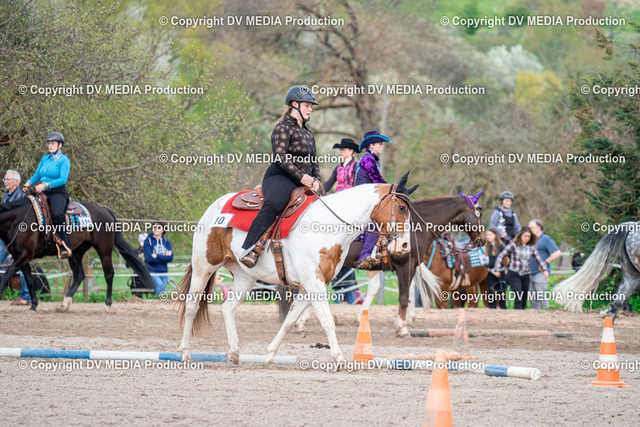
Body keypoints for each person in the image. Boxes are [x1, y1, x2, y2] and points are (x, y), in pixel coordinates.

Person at [240, 86, 321, 267]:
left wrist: (317, 180)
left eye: (311, 106)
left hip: (305, 180)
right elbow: (281, 157)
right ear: (295, 104)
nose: (310, 109)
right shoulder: (282, 128)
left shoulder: (309, 133)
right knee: (274, 204)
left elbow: (314, 160)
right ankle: (251, 247)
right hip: (281, 176)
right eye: (307, 105)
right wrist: (301, 177)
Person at [23, 132, 72, 258]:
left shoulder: (64, 160)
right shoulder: (45, 158)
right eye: (49, 143)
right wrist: (28, 183)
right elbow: (37, 175)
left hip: (57, 192)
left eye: (53, 143)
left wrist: (46, 185)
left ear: (60, 145)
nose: (50, 146)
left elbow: (63, 179)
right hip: (42, 192)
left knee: (57, 214)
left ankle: (64, 244)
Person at [324, 138, 360, 303]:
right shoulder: (338, 167)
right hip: (338, 201)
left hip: (351, 202)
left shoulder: (356, 166)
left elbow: (358, 185)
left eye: (344, 149)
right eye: (341, 149)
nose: (341, 152)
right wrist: (318, 192)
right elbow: (329, 183)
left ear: (351, 151)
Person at [354, 130, 390, 269]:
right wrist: (392, 189)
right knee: (376, 224)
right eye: (379, 144)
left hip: (368, 196)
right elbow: (377, 180)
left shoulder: (371, 159)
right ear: (371, 146)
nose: (382, 146)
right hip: (363, 197)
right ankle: (365, 255)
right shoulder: (368, 159)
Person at [493, 226, 548, 310]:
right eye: (525, 236)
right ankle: (517, 315)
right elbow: (501, 256)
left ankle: (522, 315)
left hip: (526, 274)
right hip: (514, 274)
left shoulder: (531, 247)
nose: (527, 238)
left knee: (524, 298)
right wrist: (497, 269)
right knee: (518, 297)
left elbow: (538, 259)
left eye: (529, 236)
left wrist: (545, 269)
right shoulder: (513, 245)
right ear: (521, 235)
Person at [528, 219, 561, 309]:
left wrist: (545, 263)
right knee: (532, 297)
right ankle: (535, 315)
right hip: (529, 271)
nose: (529, 230)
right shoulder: (530, 240)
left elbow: (557, 253)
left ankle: (546, 312)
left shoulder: (545, 239)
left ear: (539, 228)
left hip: (540, 272)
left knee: (541, 294)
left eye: (531, 228)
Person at [0, 170, 25, 267]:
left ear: (16, 182)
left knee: (22, 267)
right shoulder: (6, 195)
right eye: (5, 179)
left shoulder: (21, 197)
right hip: (4, 235)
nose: (5, 182)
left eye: (8, 179)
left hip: (14, 238)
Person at [143, 221, 174, 295]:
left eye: (158, 227)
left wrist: (157, 256)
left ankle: (156, 301)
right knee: (159, 285)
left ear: (163, 230)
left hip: (164, 271)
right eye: (154, 227)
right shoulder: (148, 241)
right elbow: (148, 258)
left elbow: (170, 258)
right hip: (152, 270)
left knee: (162, 292)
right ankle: (153, 301)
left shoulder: (167, 242)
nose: (155, 229)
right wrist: (164, 257)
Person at [484, 228, 507, 309]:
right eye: (487, 235)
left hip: (500, 272)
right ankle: (492, 310)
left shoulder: (501, 246)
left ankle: (503, 310)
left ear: (495, 235)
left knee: (501, 293)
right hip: (491, 272)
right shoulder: (487, 246)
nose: (488, 237)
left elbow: (505, 259)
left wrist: (499, 270)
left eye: (490, 235)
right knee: (491, 293)